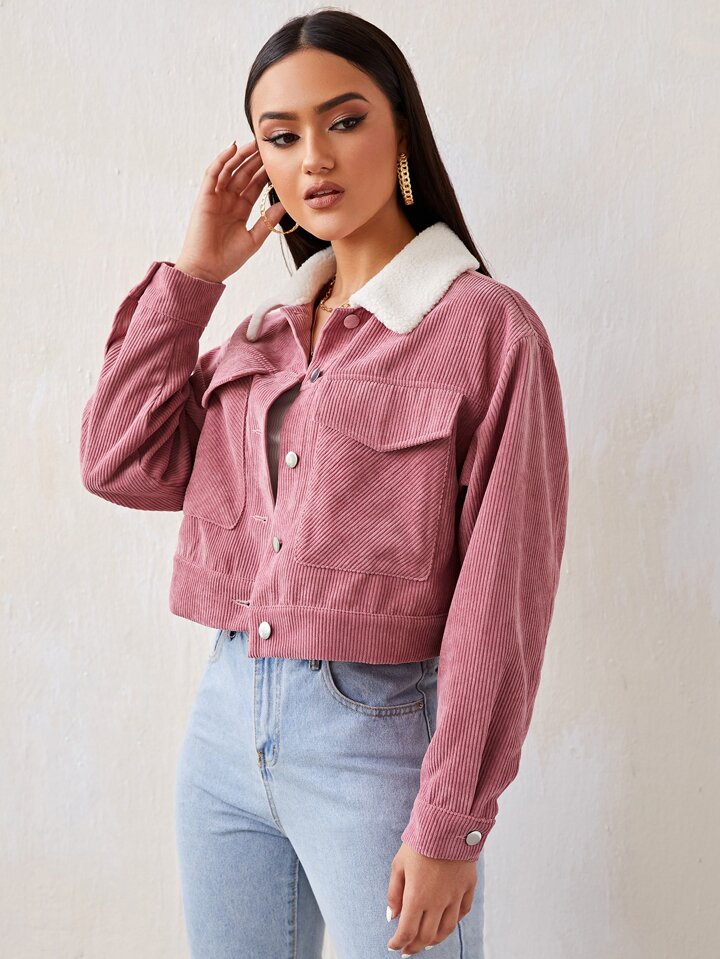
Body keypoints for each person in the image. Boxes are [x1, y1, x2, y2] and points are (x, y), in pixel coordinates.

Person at [79, 10, 569, 959]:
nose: (314, 159)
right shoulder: (264, 333)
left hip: (376, 738)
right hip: (224, 727)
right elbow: (117, 457)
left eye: (344, 121)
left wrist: (452, 820)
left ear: (400, 131)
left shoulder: (487, 331)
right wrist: (195, 274)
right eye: (281, 136)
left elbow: (502, 595)